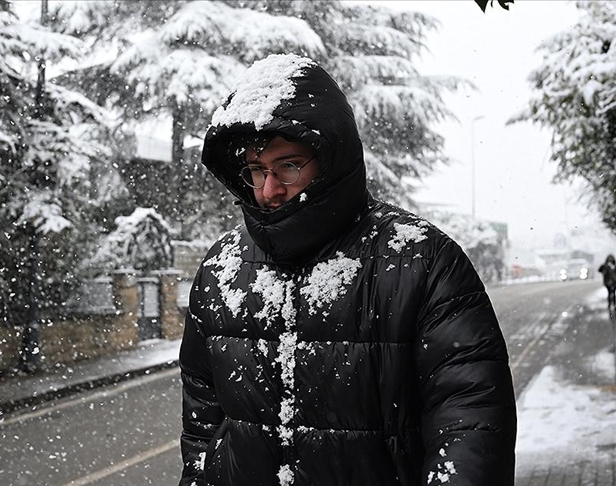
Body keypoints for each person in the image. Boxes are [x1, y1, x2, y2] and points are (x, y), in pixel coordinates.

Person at [178, 53, 517, 486]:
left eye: (288, 166)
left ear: (330, 158)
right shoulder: (220, 271)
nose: (269, 189)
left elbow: (470, 422)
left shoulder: (421, 261)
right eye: (256, 170)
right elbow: (203, 427)